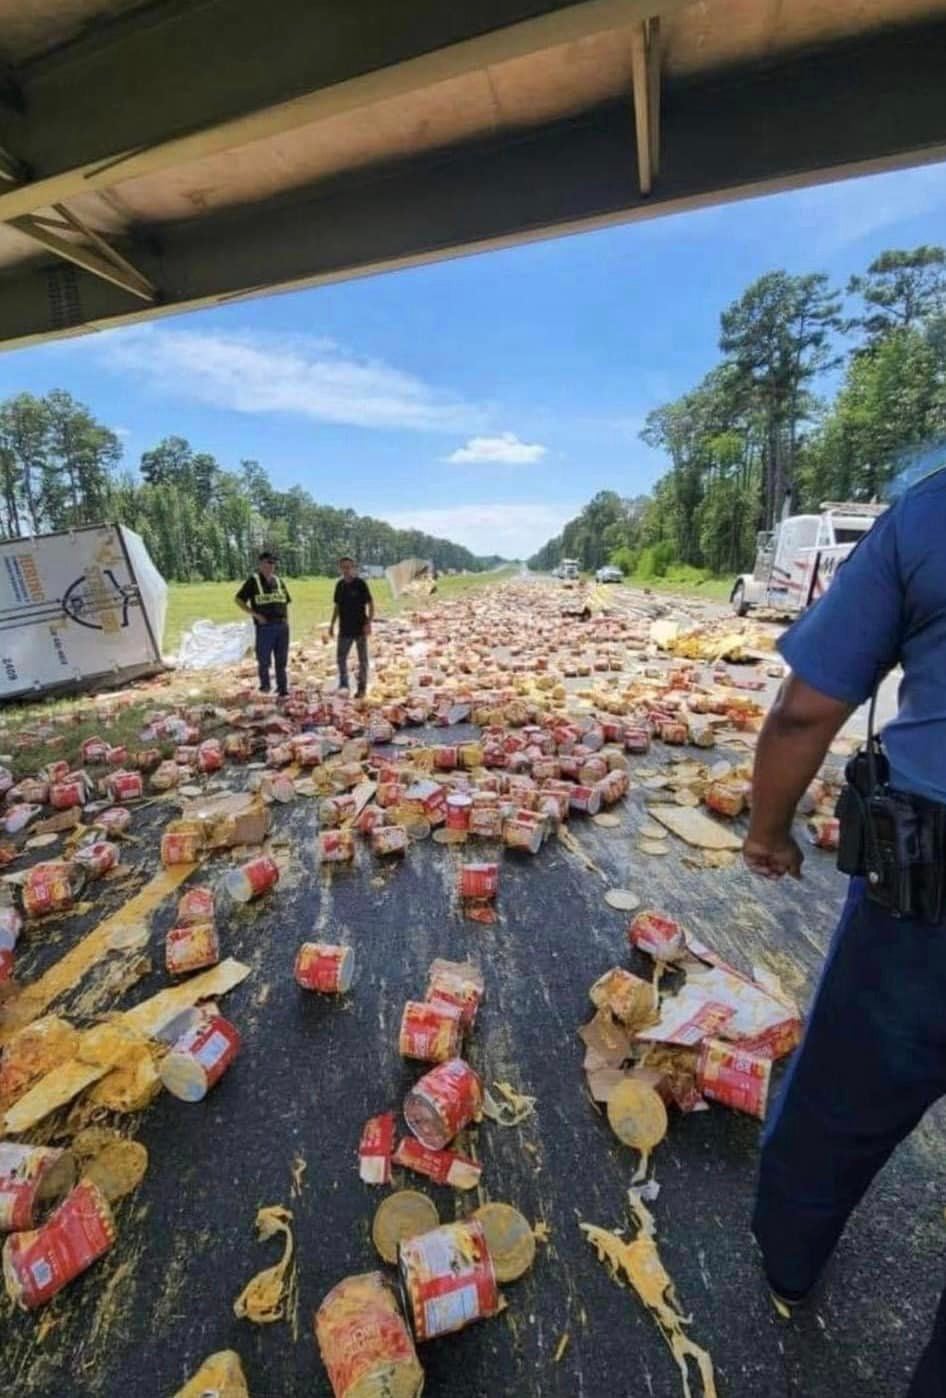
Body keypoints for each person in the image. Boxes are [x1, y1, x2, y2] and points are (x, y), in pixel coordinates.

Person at [743, 468, 946, 1397]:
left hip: (928, 900)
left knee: (841, 1097)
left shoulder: (931, 512)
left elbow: (806, 707)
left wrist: (768, 830)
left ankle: (788, 1259)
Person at [235, 551, 291, 698]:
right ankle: (265, 688)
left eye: (273, 563)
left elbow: (285, 602)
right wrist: (255, 615)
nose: (271, 566)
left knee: (281, 661)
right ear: (261, 563)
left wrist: (286, 620)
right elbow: (239, 600)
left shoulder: (279, 581)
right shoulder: (253, 581)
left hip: (282, 627)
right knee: (264, 660)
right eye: (268, 562)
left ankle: (282, 689)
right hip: (265, 627)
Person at [329, 556, 374, 698]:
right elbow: (336, 606)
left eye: (349, 567)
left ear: (353, 568)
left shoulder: (360, 583)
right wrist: (331, 624)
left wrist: (368, 623)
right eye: (343, 567)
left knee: (363, 661)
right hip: (344, 629)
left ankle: (361, 688)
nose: (346, 570)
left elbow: (371, 604)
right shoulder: (339, 585)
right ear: (340, 568)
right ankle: (344, 685)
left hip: (360, 628)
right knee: (341, 658)